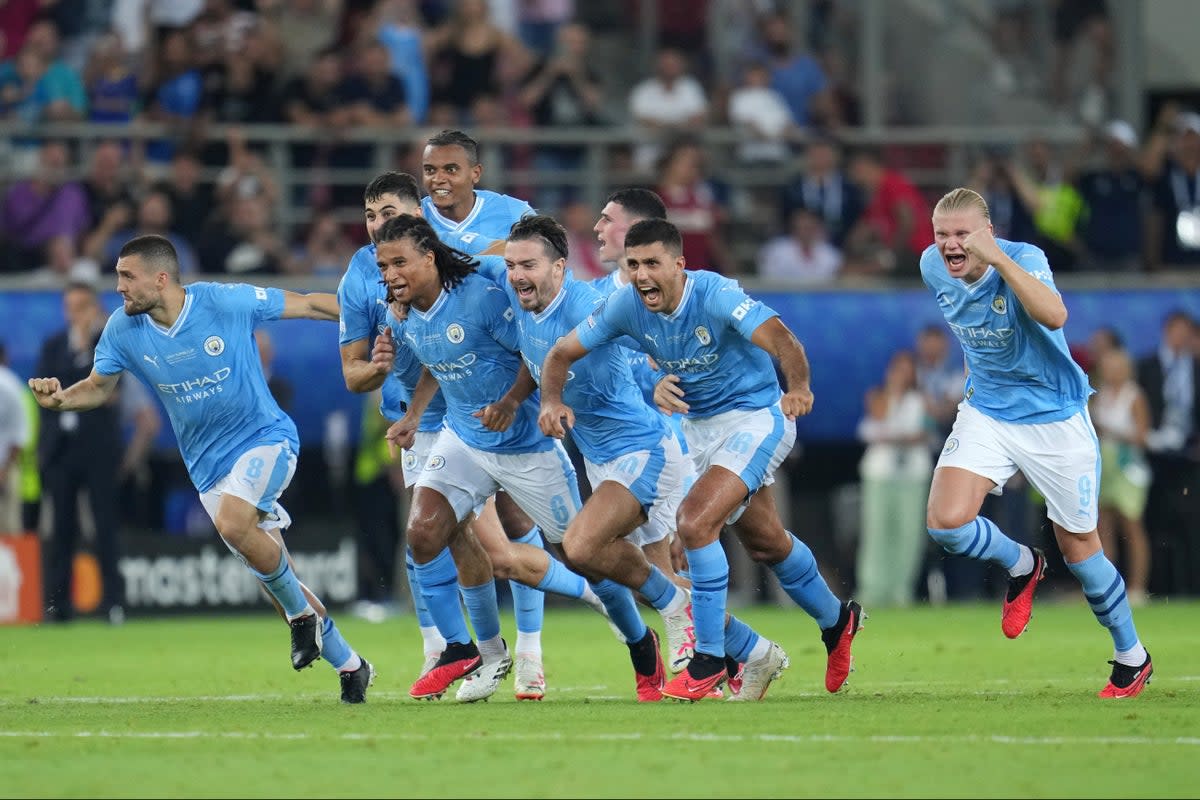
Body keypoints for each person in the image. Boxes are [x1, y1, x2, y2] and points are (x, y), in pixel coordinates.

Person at [27, 235, 375, 704]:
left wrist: (376, 313)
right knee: (278, 582)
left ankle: (302, 621)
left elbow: (310, 305)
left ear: (161, 278)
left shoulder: (221, 301)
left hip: (265, 440)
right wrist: (61, 398)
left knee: (238, 528)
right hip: (208, 470)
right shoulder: (122, 330)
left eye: (127, 277)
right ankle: (352, 665)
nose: (120, 287)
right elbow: (99, 385)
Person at [541, 218, 863, 701]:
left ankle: (708, 657)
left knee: (695, 524)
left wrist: (798, 388)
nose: (642, 274)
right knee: (765, 541)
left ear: (679, 264)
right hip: (699, 431)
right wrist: (550, 400)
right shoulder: (626, 305)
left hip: (756, 417)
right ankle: (839, 620)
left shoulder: (714, 294)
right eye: (634, 265)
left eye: (653, 263)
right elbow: (562, 351)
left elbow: (783, 340)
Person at [506, 215, 783, 701]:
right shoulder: (521, 304)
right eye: (510, 266)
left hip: (644, 445)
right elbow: (546, 359)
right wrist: (533, 400)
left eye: (527, 264)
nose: (516, 275)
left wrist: (652, 379)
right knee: (633, 574)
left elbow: (647, 340)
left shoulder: (592, 302)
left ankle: (689, 628)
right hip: (601, 456)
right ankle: (752, 652)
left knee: (586, 548)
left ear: (559, 267)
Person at [372, 214, 630, 704]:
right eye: (383, 266)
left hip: (525, 444)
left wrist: (513, 401)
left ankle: (639, 636)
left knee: (582, 553)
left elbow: (532, 353)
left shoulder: (485, 295)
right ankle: (475, 652)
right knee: (426, 532)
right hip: (464, 438)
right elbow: (438, 362)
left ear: (430, 257)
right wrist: (415, 415)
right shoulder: (400, 313)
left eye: (399, 262)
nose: (390, 274)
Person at [922, 187, 1151, 698]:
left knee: (1080, 548)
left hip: (1054, 418)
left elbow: (1055, 316)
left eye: (962, 234)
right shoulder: (931, 266)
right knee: (945, 522)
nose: (951, 246)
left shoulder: (1024, 258)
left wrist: (998, 258)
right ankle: (1023, 564)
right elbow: (971, 330)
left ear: (987, 232)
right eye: (942, 235)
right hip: (987, 412)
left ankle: (1131, 656)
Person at [337, 170, 550, 699]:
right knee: (432, 536)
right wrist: (380, 369)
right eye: (369, 215)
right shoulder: (357, 278)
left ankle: (528, 651)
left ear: (419, 216)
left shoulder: (450, 253)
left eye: (389, 213)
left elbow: (516, 261)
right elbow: (353, 374)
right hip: (419, 419)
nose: (377, 224)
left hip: (477, 411)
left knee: (509, 529)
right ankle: (446, 649)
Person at [34, 283, 134, 623]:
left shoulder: (107, 345)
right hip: (60, 452)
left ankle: (113, 603)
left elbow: (101, 391)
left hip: (98, 450)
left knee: (104, 526)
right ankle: (57, 607)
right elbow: (48, 392)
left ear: (94, 309)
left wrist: (83, 347)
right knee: (61, 530)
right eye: (69, 306)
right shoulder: (53, 346)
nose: (74, 313)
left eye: (81, 306)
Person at [855, 350, 932, 608]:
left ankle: (901, 590)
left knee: (909, 533)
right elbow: (871, 427)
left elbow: (926, 432)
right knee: (877, 531)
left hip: (912, 474)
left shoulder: (922, 399)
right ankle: (872, 589)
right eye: (898, 369)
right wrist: (893, 395)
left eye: (907, 369)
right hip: (880, 473)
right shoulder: (879, 396)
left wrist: (904, 434)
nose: (902, 374)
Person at [1090, 346, 1152, 605]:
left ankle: (1137, 588)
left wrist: (1112, 432)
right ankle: (1107, 588)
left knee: (1132, 526)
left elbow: (1142, 436)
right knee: (1104, 529)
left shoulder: (1134, 395)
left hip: (1129, 468)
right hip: (1104, 465)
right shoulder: (1099, 395)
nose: (1111, 372)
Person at [419, 129, 533, 246]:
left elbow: (544, 259)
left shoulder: (515, 213)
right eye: (430, 170)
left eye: (451, 170)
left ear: (476, 174)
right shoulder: (413, 218)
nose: (438, 179)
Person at [0, 342, 30, 534]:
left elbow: (18, 434)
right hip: (7, 470)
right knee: (9, 534)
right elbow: (19, 435)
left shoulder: (8, 386)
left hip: (5, 472)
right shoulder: (12, 385)